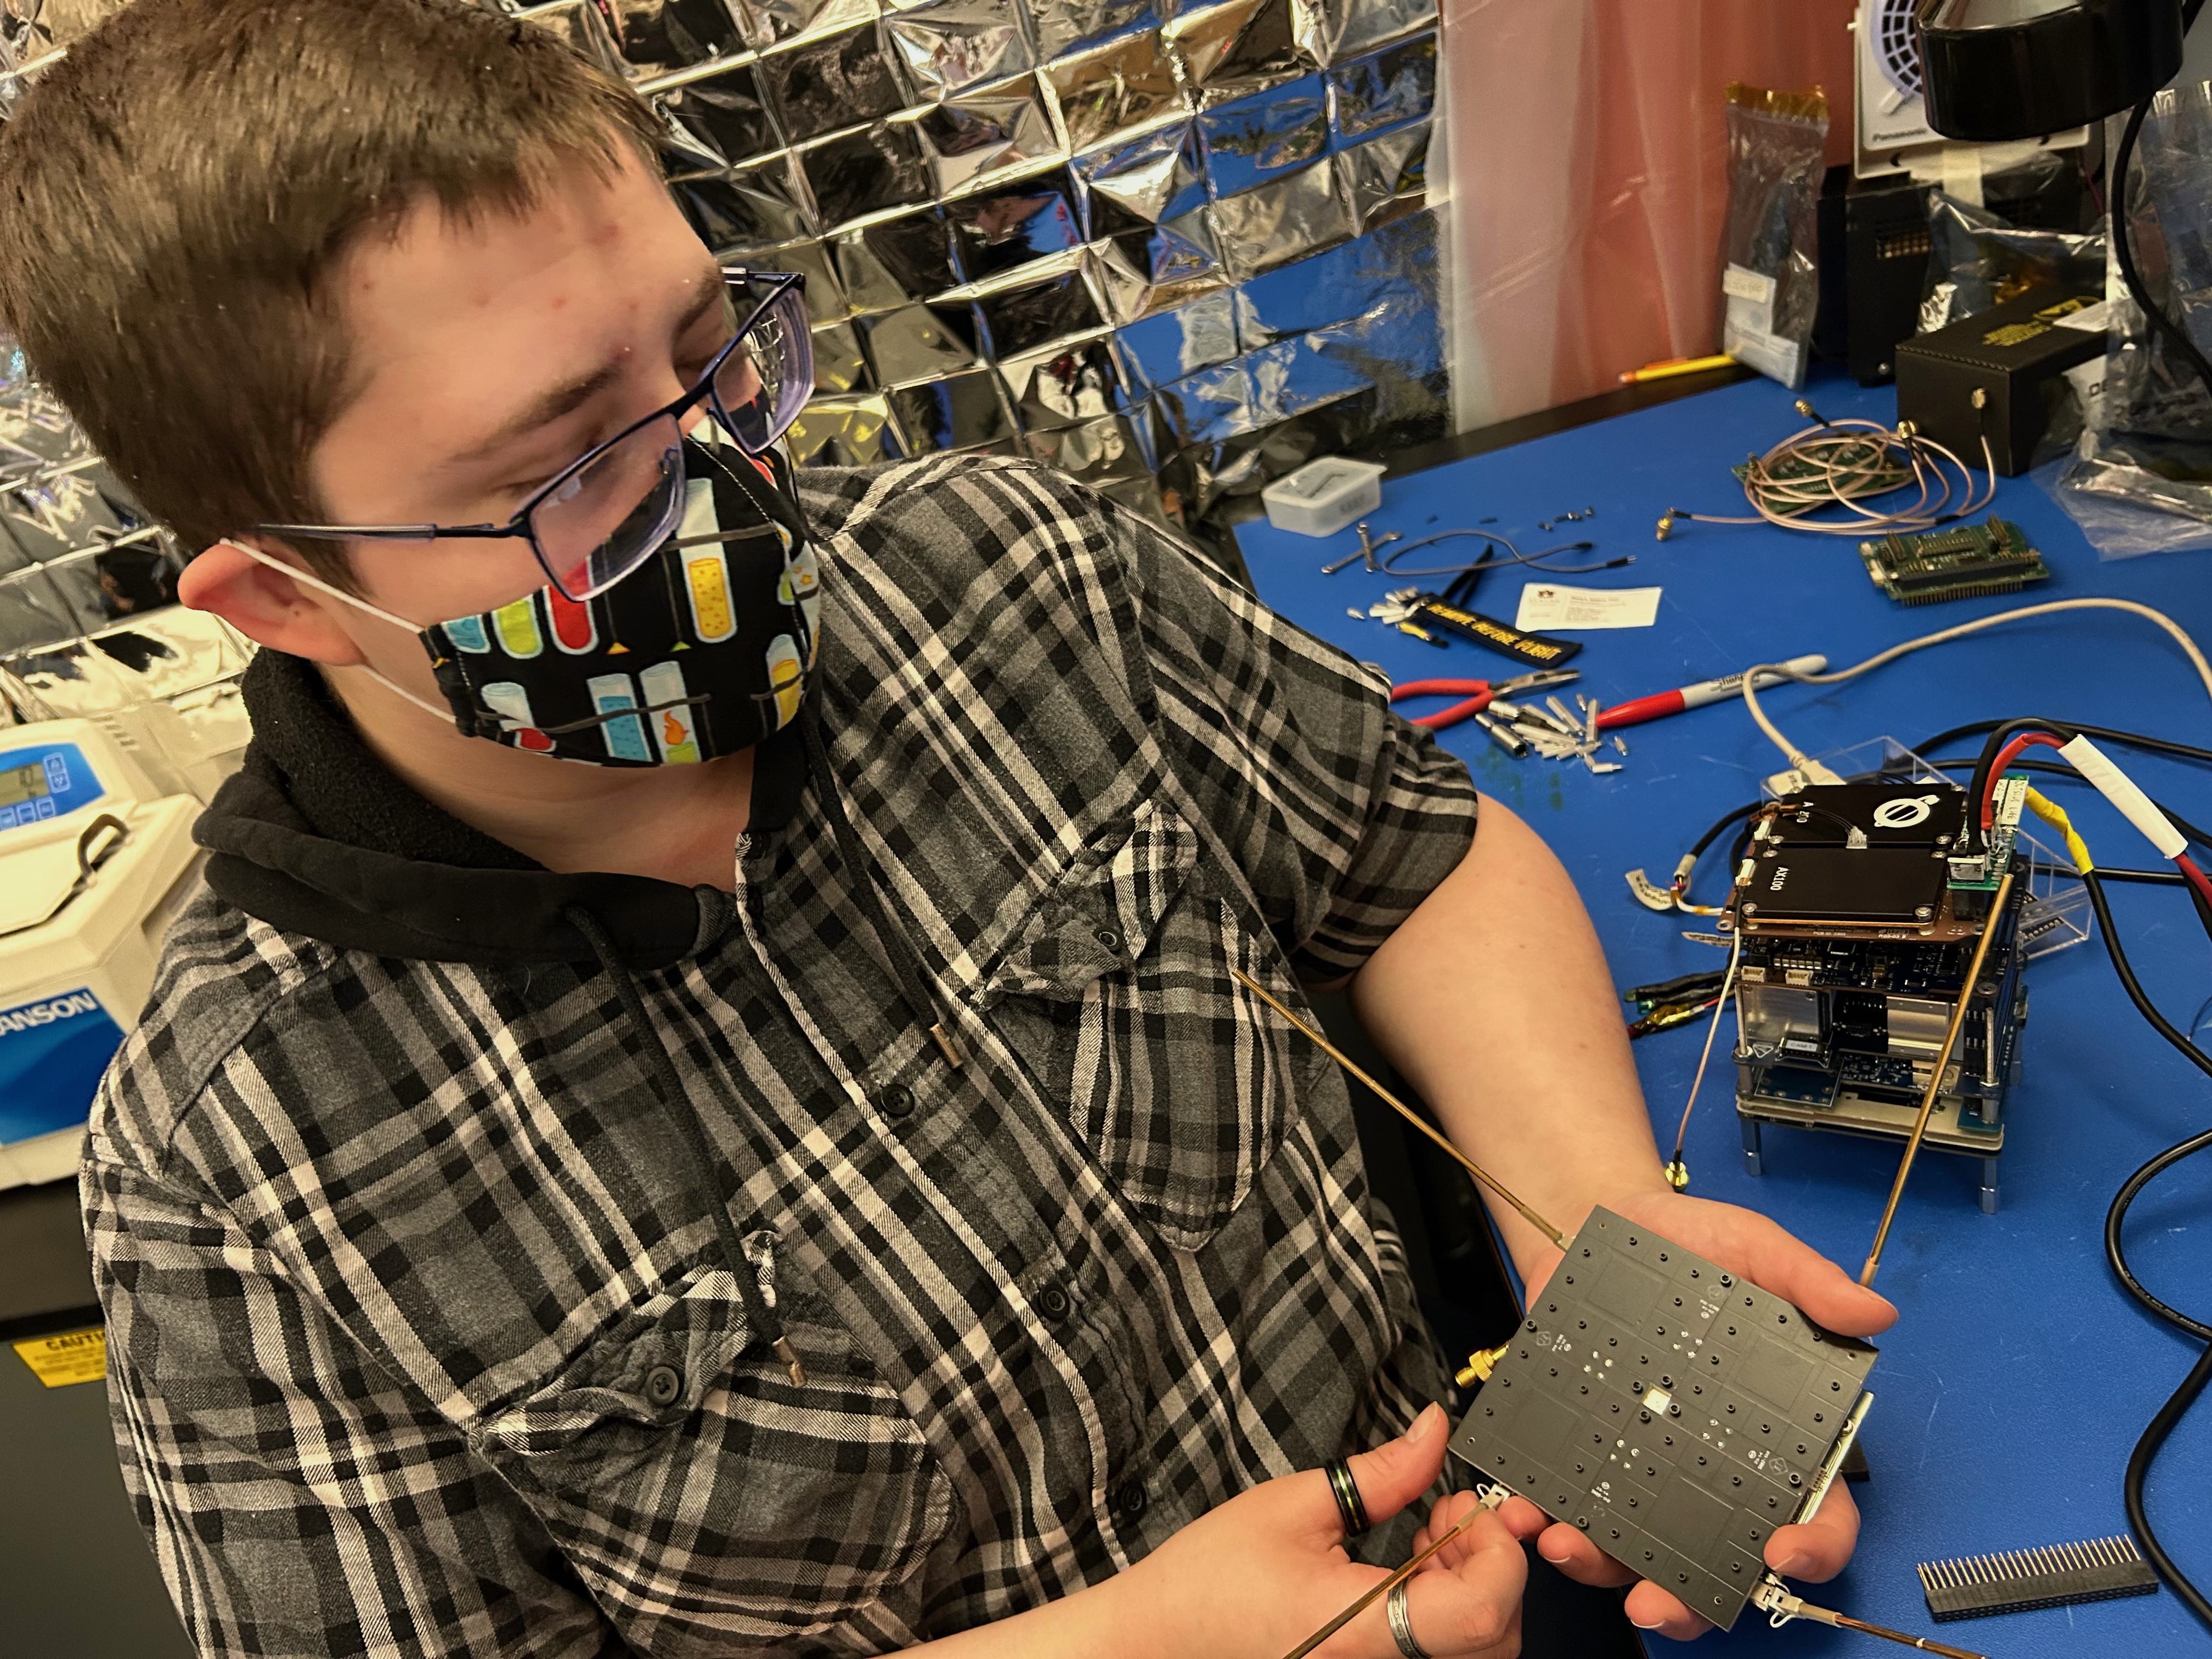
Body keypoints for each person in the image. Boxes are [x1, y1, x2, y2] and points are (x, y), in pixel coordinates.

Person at [0, 2, 1895, 1655]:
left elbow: (1414, 859)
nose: (736, 478)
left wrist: (1592, 1222)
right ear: (287, 600)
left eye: (713, 350)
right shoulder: (231, 1180)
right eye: (569, 464)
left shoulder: (992, 571)